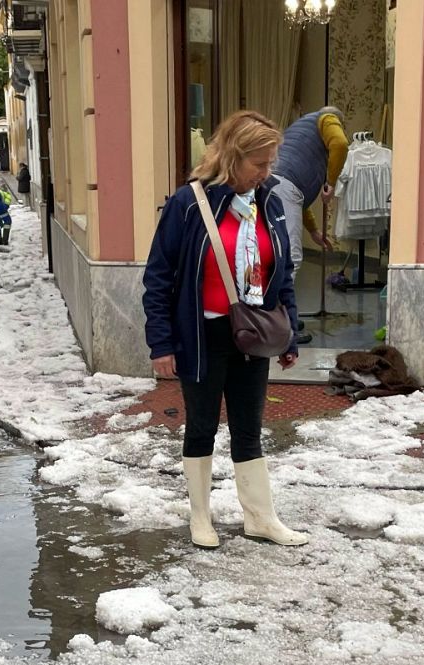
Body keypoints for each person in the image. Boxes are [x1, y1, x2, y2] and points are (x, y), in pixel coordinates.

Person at [142, 110, 307, 549]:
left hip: (253, 333)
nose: (267, 172)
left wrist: (289, 329)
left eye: (271, 162)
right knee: (201, 427)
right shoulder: (188, 204)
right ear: (233, 157)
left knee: (249, 428)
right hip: (203, 336)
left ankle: (260, 518)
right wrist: (161, 343)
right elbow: (159, 277)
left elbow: (281, 273)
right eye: (260, 163)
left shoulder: (268, 201)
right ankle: (201, 518)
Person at [269, 106, 348, 273]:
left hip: (270, 184)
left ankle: (270, 297)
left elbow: (296, 200)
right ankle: (283, 300)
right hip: (284, 186)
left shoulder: (300, 130)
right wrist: (332, 183)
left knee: (272, 251)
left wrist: (313, 231)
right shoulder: (327, 118)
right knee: (291, 257)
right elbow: (340, 144)